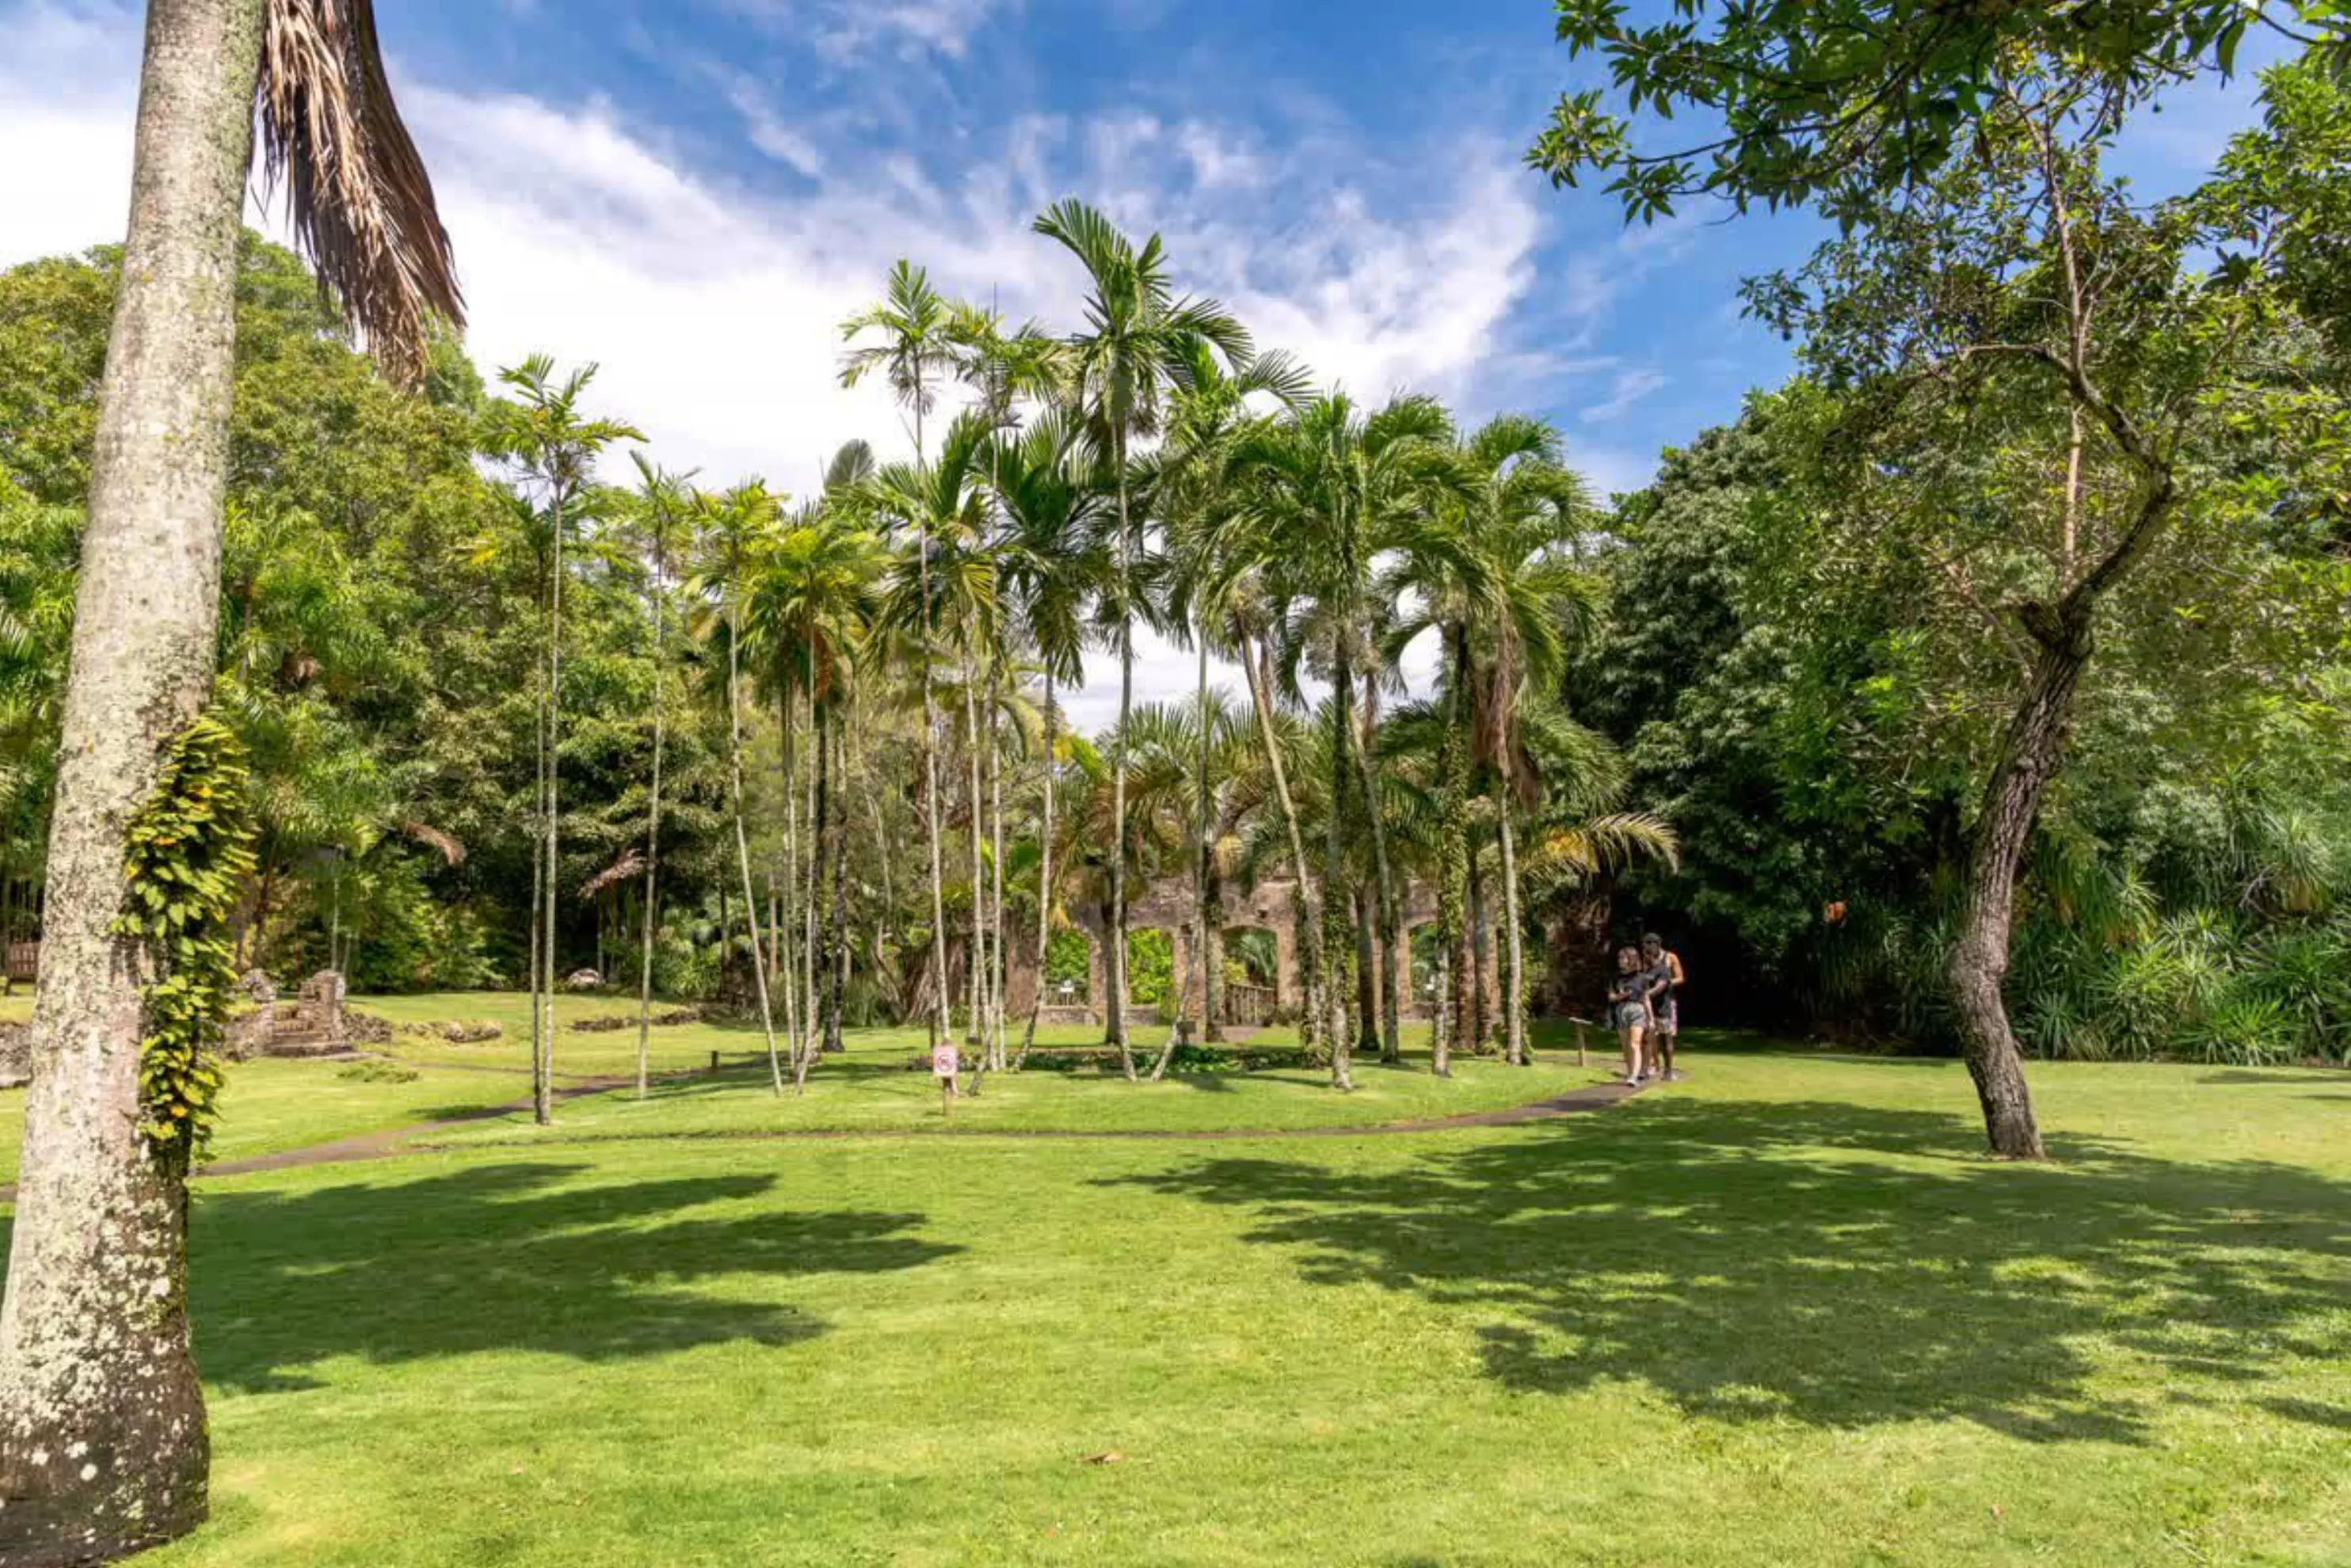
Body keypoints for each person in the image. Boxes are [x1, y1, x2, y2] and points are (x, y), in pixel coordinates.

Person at [1640, 931, 1685, 1080]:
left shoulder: (1670, 957)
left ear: (1657, 944)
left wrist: (1665, 983)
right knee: (1650, 1036)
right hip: (1649, 1002)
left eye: (1649, 944)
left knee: (1666, 1035)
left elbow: (1680, 978)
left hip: (1666, 1000)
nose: (1647, 948)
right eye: (1645, 944)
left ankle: (1668, 1070)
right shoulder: (1646, 960)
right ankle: (1653, 1065)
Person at [1606, 945, 1651, 1086]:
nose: (1620, 960)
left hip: (1637, 1010)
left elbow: (1646, 999)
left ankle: (1634, 1076)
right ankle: (1630, 1072)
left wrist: (1651, 1018)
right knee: (1626, 1046)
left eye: (1623, 957)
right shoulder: (1615, 977)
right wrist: (1622, 995)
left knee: (1634, 1044)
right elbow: (1611, 997)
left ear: (1631, 959)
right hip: (1621, 1011)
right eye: (1619, 958)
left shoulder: (1642, 978)